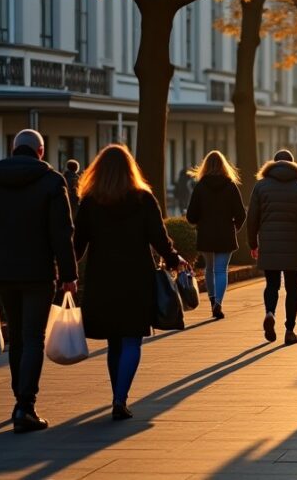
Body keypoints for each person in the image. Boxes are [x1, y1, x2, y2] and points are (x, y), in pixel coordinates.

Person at [0, 130, 77, 434]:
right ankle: (25, 406)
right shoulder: (53, 182)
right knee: (33, 338)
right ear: (40, 151)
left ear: (14, 149)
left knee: (16, 338)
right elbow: (62, 233)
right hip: (39, 273)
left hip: (2, 273)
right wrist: (69, 276)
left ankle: (19, 399)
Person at [73, 144, 189, 421]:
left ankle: (117, 393)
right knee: (131, 338)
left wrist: (65, 271)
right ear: (130, 170)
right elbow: (158, 238)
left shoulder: (90, 201)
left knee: (114, 340)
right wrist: (173, 259)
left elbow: (78, 244)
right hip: (137, 277)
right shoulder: (143, 199)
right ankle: (120, 398)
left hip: (102, 277)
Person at [247, 150, 297, 346]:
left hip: (270, 244)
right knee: (292, 288)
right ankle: (289, 330)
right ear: (294, 164)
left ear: (273, 164)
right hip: (294, 246)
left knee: (271, 284)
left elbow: (252, 218)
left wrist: (253, 244)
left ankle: (270, 312)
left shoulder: (261, 186)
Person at [186, 150, 246, 320]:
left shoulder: (200, 187)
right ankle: (219, 302)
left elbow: (191, 215)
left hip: (206, 234)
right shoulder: (230, 186)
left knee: (209, 269)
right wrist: (235, 227)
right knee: (221, 270)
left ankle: (212, 301)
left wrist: (198, 222)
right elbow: (241, 213)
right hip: (225, 234)